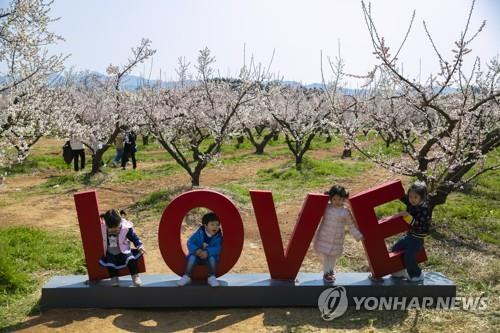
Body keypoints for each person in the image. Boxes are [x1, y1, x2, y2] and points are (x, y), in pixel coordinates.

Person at [314, 185, 363, 283]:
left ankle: (330, 271)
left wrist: (357, 235)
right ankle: (326, 273)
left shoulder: (345, 212)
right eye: (334, 199)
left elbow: (351, 225)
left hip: (337, 238)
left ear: (344, 198)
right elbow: (314, 213)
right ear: (330, 198)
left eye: (340, 199)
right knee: (326, 256)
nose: (337, 201)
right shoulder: (326, 208)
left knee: (332, 256)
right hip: (324, 236)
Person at [389, 181, 431, 282]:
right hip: (409, 236)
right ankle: (399, 271)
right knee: (396, 248)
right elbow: (402, 197)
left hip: (417, 239)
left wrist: (406, 216)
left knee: (409, 255)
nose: (412, 199)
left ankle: (417, 274)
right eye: (410, 196)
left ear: (422, 197)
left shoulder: (425, 209)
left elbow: (417, 223)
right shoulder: (411, 203)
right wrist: (394, 189)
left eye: (415, 197)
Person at [98, 209, 145, 287]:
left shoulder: (126, 228)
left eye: (116, 228)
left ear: (120, 222)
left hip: (124, 250)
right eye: (110, 228)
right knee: (110, 265)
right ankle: (114, 279)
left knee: (131, 260)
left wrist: (139, 246)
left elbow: (134, 238)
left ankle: (135, 277)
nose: (113, 230)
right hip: (111, 251)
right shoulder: (103, 227)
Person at [177, 212, 223, 287]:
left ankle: (211, 276)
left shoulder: (218, 237)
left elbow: (218, 248)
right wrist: (196, 250)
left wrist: (208, 252)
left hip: (208, 257)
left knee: (212, 259)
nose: (215, 227)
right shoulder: (199, 233)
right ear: (205, 225)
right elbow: (190, 242)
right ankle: (187, 276)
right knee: (192, 258)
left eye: (217, 225)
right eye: (212, 224)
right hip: (197, 255)